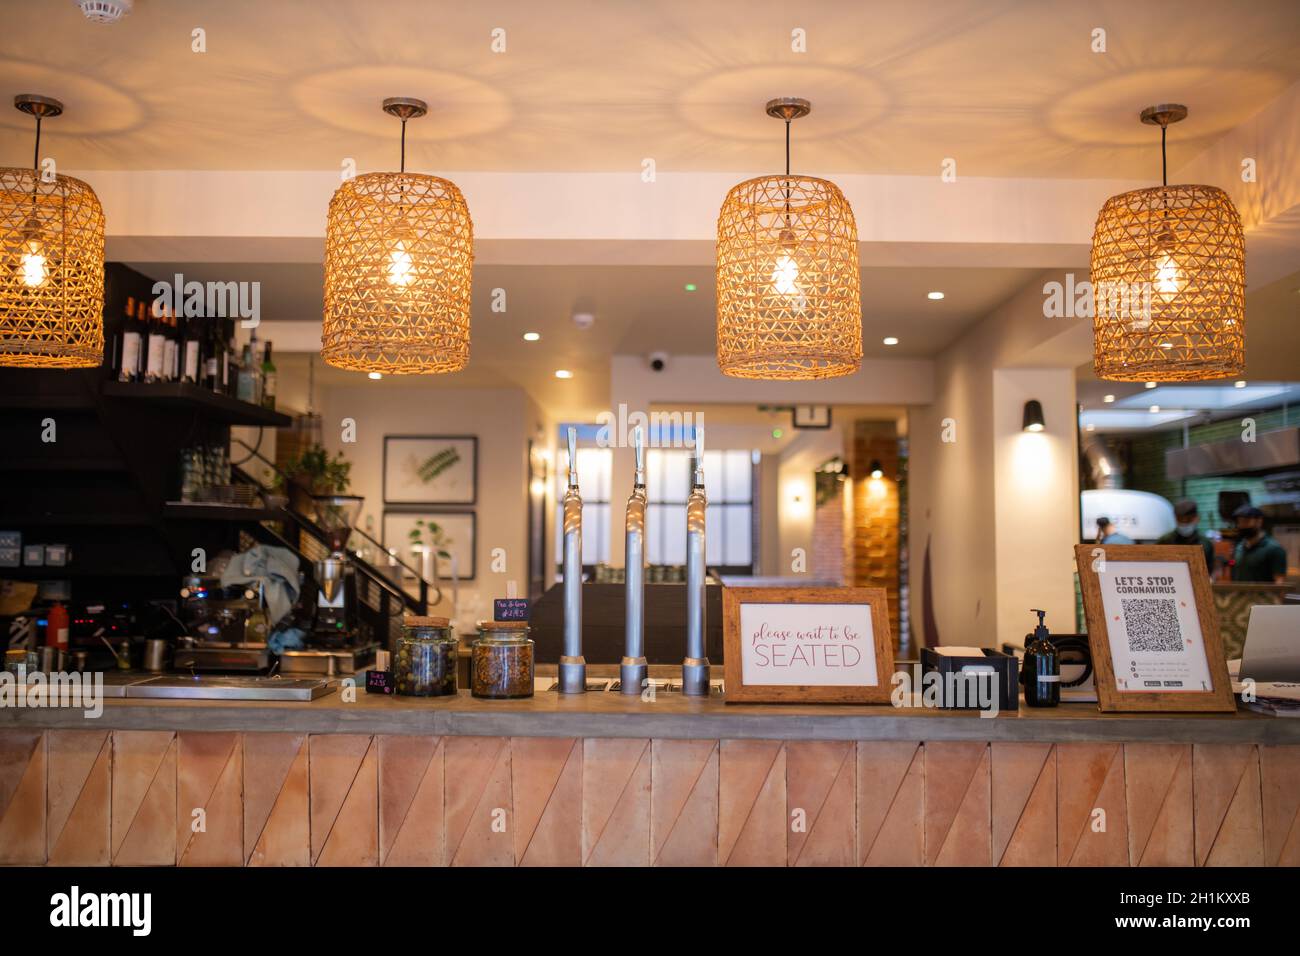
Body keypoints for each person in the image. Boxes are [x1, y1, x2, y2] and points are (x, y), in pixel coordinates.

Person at [1230, 505, 1288, 583]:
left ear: (1259, 522)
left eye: (1246, 522)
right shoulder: (1239, 547)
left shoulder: (1274, 549)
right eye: (1239, 522)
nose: (1241, 526)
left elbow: (1280, 581)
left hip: (1263, 595)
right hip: (1239, 594)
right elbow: (1234, 571)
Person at [1157, 499, 1215, 572]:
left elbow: (1209, 571)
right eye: (1180, 520)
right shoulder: (1164, 542)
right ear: (1175, 518)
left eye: (1188, 520)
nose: (1184, 523)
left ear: (1197, 518)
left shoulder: (1206, 544)